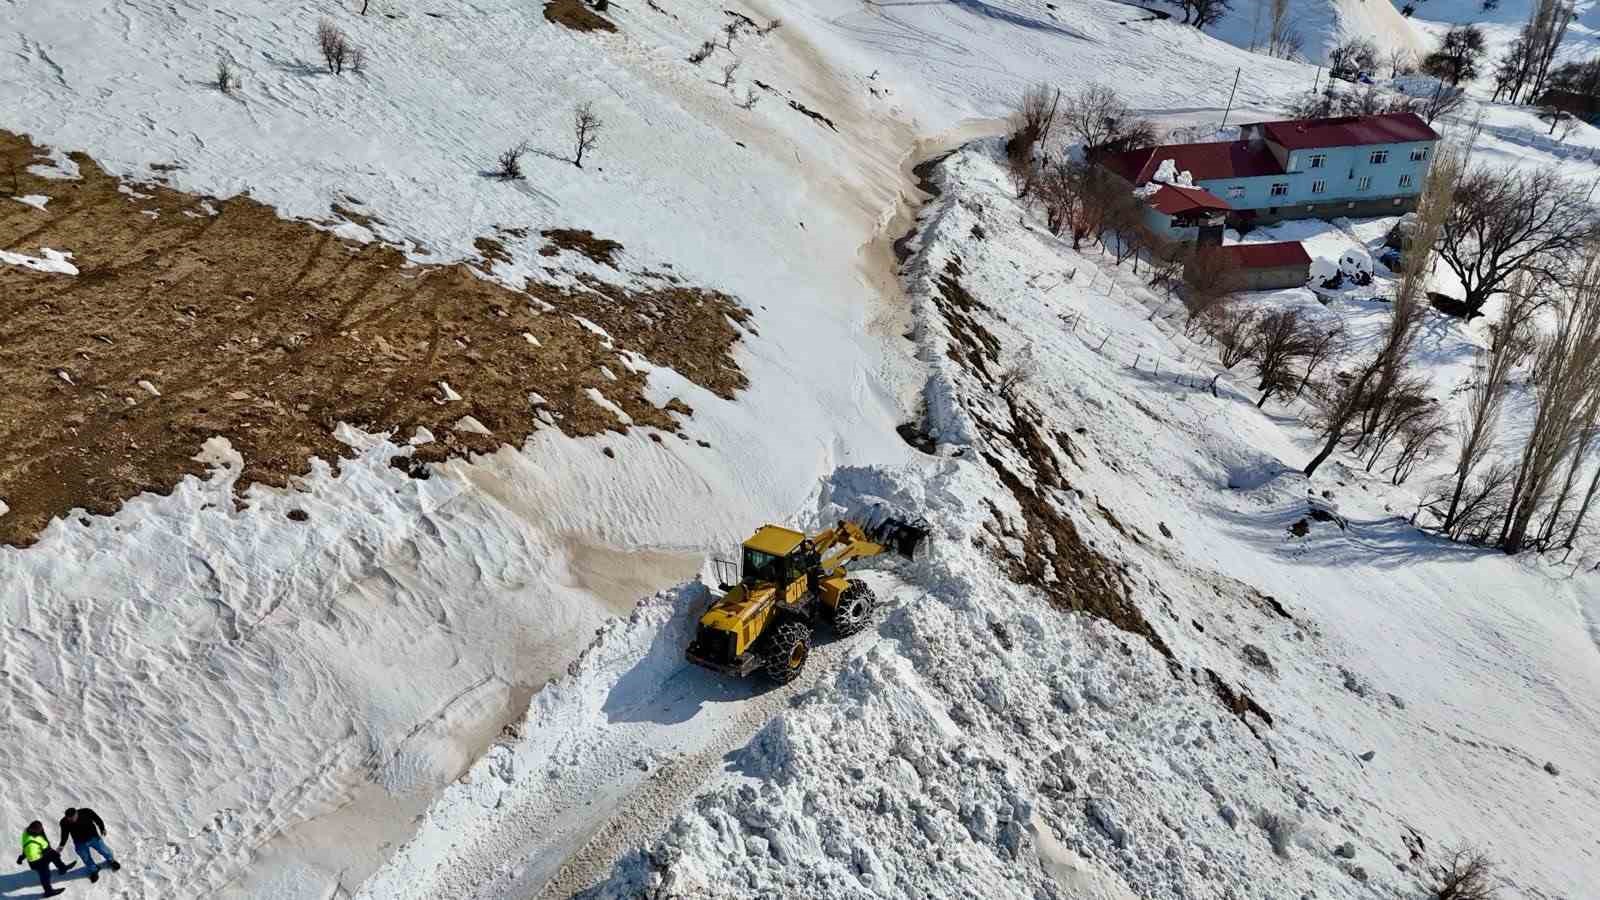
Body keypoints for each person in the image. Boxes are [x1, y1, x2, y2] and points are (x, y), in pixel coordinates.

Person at [58, 808, 119, 883]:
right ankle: (94, 870)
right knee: (85, 857)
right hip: (79, 842)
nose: (71, 820)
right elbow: (64, 834)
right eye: (69, 819)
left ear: (76, 813)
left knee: (104, 850)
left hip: (93, 837)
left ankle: (111, 861)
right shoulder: (64, 822)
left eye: (73, 818)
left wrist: (102, 828)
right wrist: (61, 845)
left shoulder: (87, 812)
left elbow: (97, 819)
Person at [17, 820, 74, 897]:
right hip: (37, 861)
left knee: (54, 856)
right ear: (34, 830)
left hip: (42, 852)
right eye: (40, 830)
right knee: (45, 875)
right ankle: (48, 891)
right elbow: (29, 853)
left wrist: (20, 858)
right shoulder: (31, 844)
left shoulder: (28, 833)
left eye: (41, 828)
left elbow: (26, 847)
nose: (41, 830)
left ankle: (62, 868)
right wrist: (22, 857)